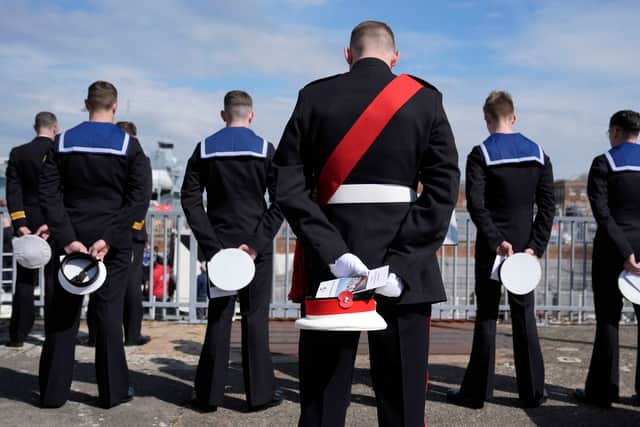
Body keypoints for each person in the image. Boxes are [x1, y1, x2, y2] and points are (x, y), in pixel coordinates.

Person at [273, 21, 459, 426]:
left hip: (332, 269)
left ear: (347, 54)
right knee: (403, 401)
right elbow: (444, 189)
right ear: (395, 58)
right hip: (404, 273)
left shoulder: (315, 96)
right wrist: (403, 262)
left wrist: (334, 253)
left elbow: (286, 185)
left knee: (323, 398)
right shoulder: (424, 101)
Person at [38, 81, 151, 408]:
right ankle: (112, 392)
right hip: (111, 245)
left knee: (62, 318)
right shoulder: (129, 145)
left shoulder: (62, 142)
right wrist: (110, 238)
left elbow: (48, 194)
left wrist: (68, 238)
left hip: (69, 241)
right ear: (115, 106)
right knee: (108, 316)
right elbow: (138, 198)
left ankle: (52, 393)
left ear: (86, 103)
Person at [447, 91, 555, 409]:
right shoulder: (538, 153)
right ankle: (533, 391)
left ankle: (477, 392)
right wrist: (535, 246)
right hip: (525, 250)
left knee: (487, 317)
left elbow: (477, 205)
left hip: (494, 248)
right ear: (514, 116)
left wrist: (496, 240)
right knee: (524, 317)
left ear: (486, 119)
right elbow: (548, 206)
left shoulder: (481, 153)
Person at [181, 90, 284, 412]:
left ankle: (208, 396)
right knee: (255, 319)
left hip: (220, 247)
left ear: (223, 115)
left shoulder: (206, 148)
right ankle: (259, 395)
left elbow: (190, 198)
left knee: (220, 318)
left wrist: (212, 245)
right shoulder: (266, 149)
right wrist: (256, 243)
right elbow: (281, 201)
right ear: (250, 115)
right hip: (256, 246)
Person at [575, 110, 640, 408]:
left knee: (608, 321)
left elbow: (603, 213)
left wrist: (626, 252)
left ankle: (602, 392)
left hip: (613, 250)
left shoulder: (604, 163)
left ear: (615, 132)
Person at [86, 121, 151, 347]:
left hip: (104, 229)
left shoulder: (108, 156)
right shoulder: (139, 157)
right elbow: (141, 199)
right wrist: (132, 229)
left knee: (97, 280)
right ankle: (132, 333)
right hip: (128, 231)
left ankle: (95, 333)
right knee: (131, 284)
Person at [5, 112, 57, 347]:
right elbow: (60, 191)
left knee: (25, 282)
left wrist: (21, 225)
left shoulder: (19, 153)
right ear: (54, 128)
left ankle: (17, 335)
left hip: (27, 224)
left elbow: (13, 193)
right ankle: (54, 332)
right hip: (52, 225)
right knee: (53, 280)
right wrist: (51, 223)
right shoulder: (59, 152)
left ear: (35, 127)